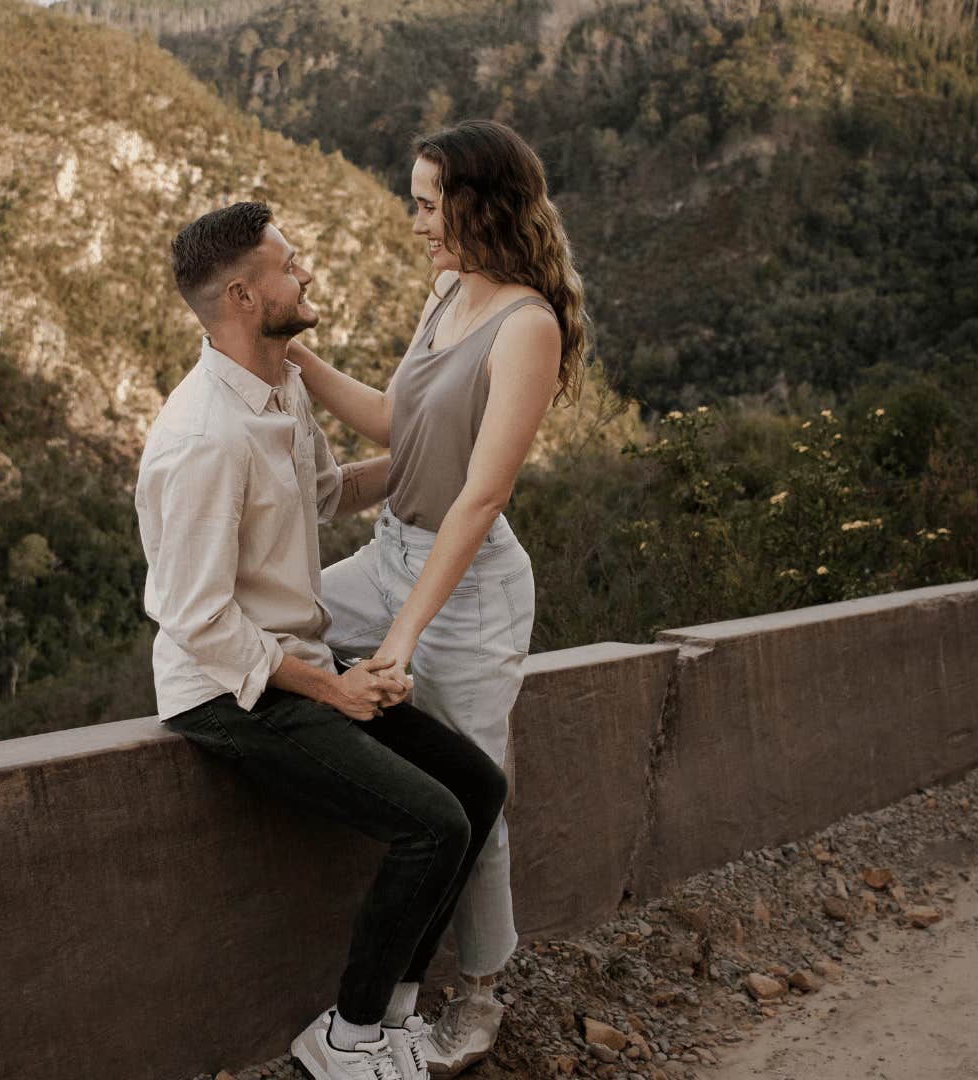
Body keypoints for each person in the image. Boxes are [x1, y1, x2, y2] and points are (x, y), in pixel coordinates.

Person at [138, 200, 509, 1080]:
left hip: (296, 662)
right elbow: (195, 620)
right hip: (230, 694)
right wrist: (335, 689)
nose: (305, 272)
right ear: (241, 295)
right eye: (288, 264)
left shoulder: (281, 389)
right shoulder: (201, 438)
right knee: (431, 826)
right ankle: (346, 1036)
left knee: (475, 786)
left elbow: (327, 492)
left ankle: (393, 1014)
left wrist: (467, 467)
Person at [285, 118, 590, 1076]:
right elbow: (398, 422)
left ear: (476, 205)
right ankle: (401, 980)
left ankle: (481, 992)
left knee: (474, 789)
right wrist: (289, 355)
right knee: (272, 632)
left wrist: (402, 639)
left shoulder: (527, 326)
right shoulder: (448, 292)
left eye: (425, 203)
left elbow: (481, 494)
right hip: (389, 556)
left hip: (466, 589)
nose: (414, 222)